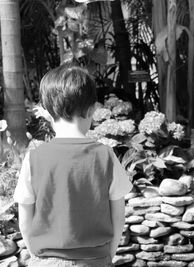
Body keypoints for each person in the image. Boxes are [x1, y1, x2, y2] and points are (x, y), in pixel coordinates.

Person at [13, 63, 132, 267]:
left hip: (46, 260)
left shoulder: (33, 159)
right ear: (92, 110)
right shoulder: (106, 156)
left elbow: (25, 217)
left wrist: (37, 255)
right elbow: (118, 216)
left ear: (48, 113)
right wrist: (108, 255)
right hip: (95, 260)